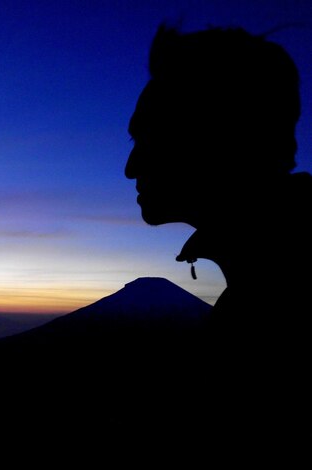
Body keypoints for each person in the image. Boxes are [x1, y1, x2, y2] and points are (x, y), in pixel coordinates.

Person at [125, 24, 312, 455]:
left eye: (146, 139)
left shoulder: (271, 311)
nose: (131, 168)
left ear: (210, 135)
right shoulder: (264, 283)